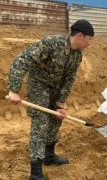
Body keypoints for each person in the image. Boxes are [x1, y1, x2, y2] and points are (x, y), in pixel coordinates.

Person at [7, 19, 94, 180]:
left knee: (56, 119)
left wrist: (61, 102)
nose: (90, 43)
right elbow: (22, 60)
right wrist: (13, 89)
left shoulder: (77, 55)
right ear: (80, 36)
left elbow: (70, 78)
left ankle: (49, 156)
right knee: (41, 124)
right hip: (39, 86)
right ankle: (35, 173)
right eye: (89, 39)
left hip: (55, 89)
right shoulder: (51, 43)